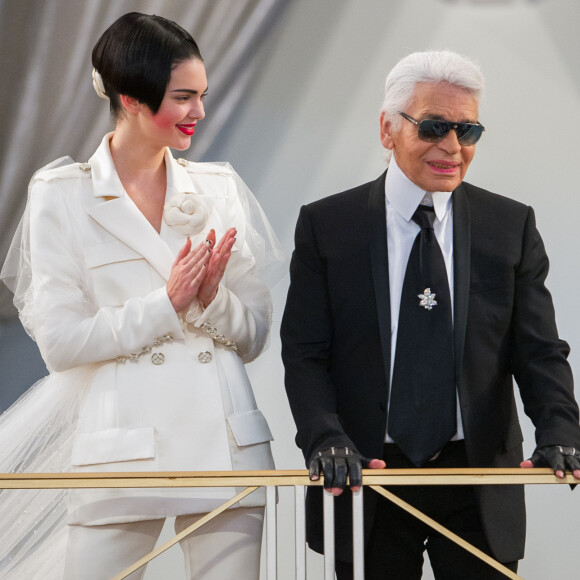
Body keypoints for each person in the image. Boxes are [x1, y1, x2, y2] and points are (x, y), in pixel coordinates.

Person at [0, 12, 284, 580]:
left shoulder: (217, 188)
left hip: (226, 447)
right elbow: (60, 343)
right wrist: (167, 304)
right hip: (120, 451)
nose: (199, 113)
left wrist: (209, 300)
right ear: (131, 98)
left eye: (202, 96)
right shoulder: (62, 194)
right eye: (183, 97)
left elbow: (252, 334)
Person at [281, 50, 580, 579]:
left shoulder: (508, 226)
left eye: (468, 131)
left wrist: (560, 430)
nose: (452, 147)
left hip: (479, 477)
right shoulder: (328, 227)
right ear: (387, 129)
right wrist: (324, 437)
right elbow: (305, 353)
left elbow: (539, 350)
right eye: (435, 126)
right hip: (368, 476)